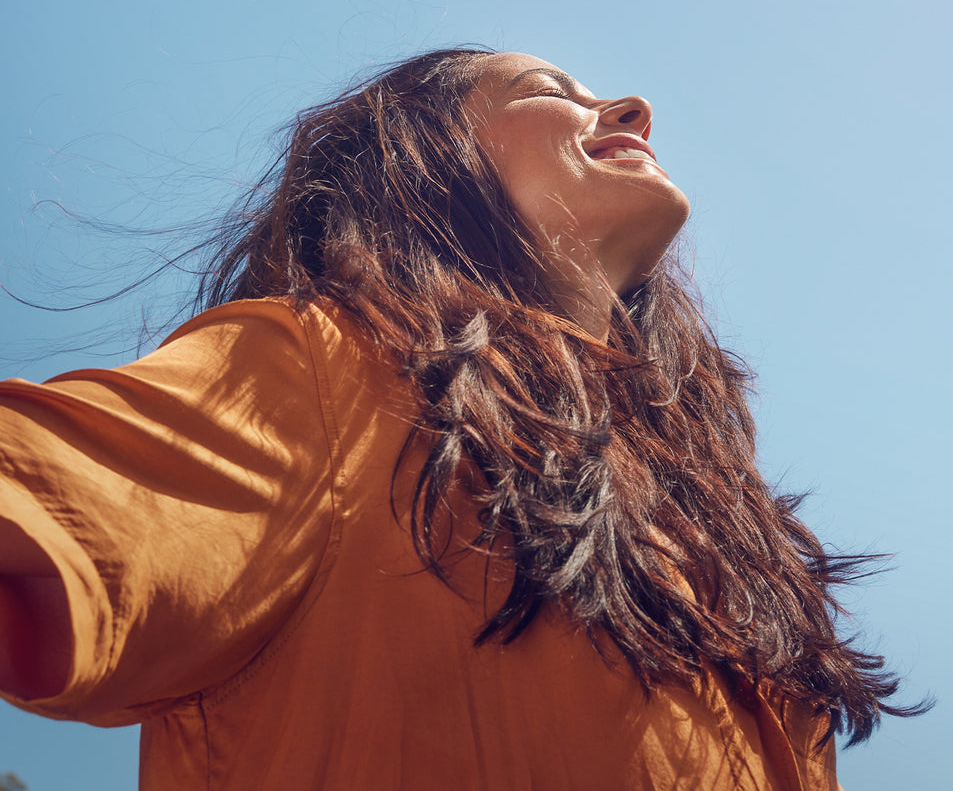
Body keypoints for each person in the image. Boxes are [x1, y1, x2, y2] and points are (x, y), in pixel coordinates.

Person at [0, 48, 923, 790]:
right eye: (549, 91)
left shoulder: (727, 543)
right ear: (426, 158)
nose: (633, 109)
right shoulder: (328, 374)